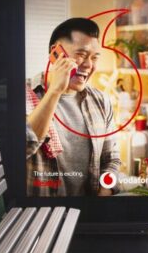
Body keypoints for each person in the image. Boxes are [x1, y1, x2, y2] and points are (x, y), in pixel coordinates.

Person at [26, 18, 121, 197]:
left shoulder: (101, 101)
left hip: (91, 216)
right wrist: (55, 90)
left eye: (94, 58)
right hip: (43, 218)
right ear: (55, 53)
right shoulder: (22, 95)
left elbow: (112, 159)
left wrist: (105, 190)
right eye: (82, 55)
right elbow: (20, 149)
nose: (88, 65)